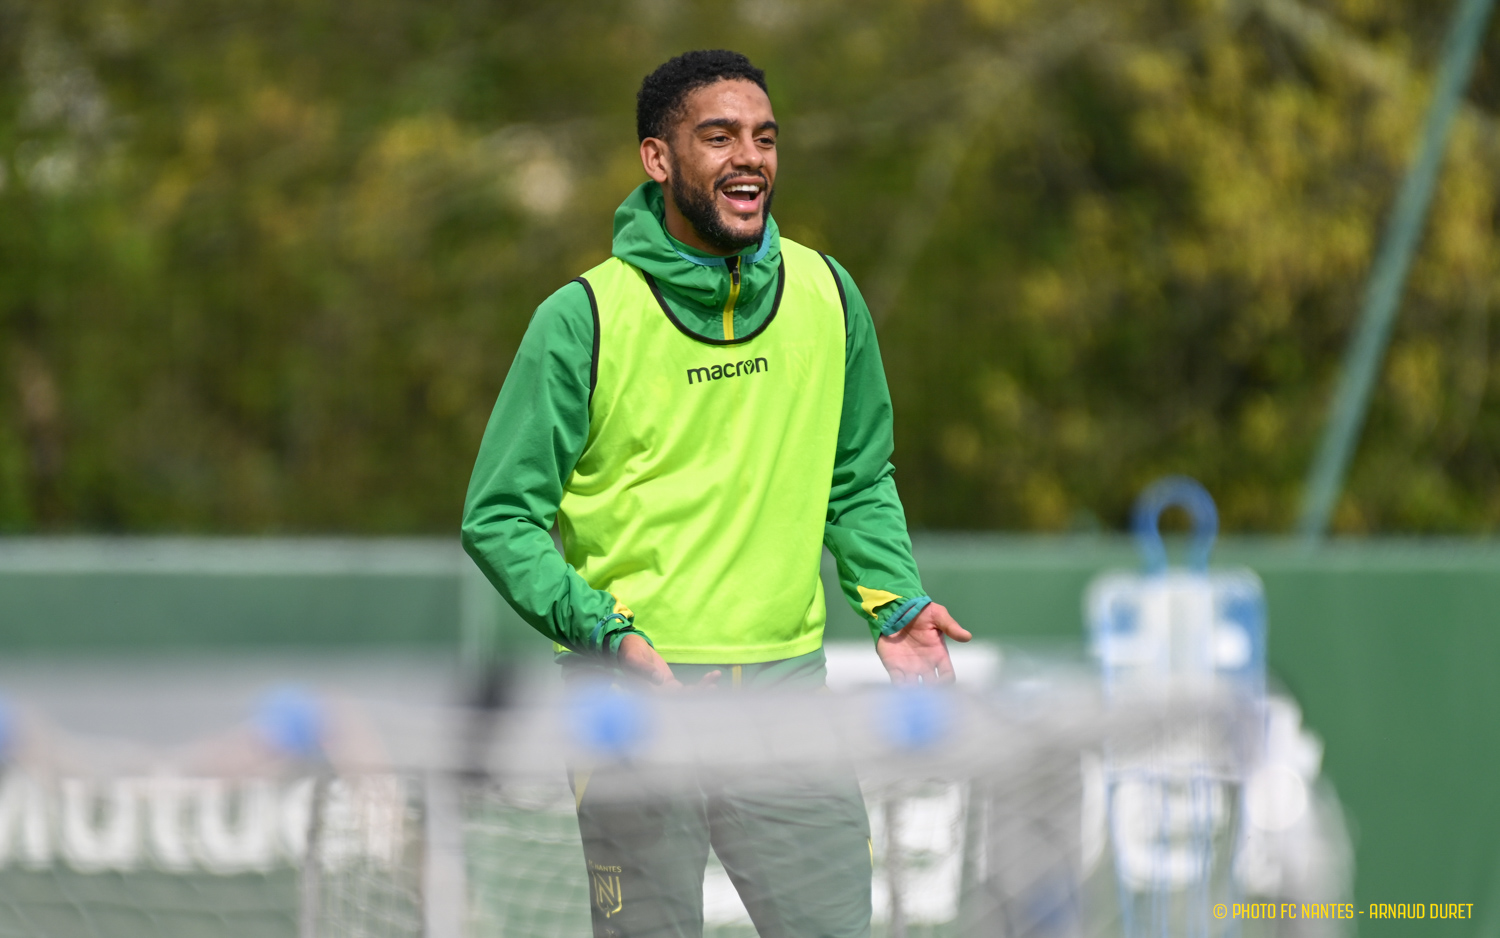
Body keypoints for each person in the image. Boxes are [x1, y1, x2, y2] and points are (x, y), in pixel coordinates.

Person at [461, 49, 971, 938]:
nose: (750, 159)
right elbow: (499, 517)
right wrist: (605, 633)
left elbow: (857, 479)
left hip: (787, 701)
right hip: (630, 707)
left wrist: (893, 601)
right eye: (720, 137)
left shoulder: (829, 293)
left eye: (765, 138)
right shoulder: (580, 318)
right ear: (658, 159)